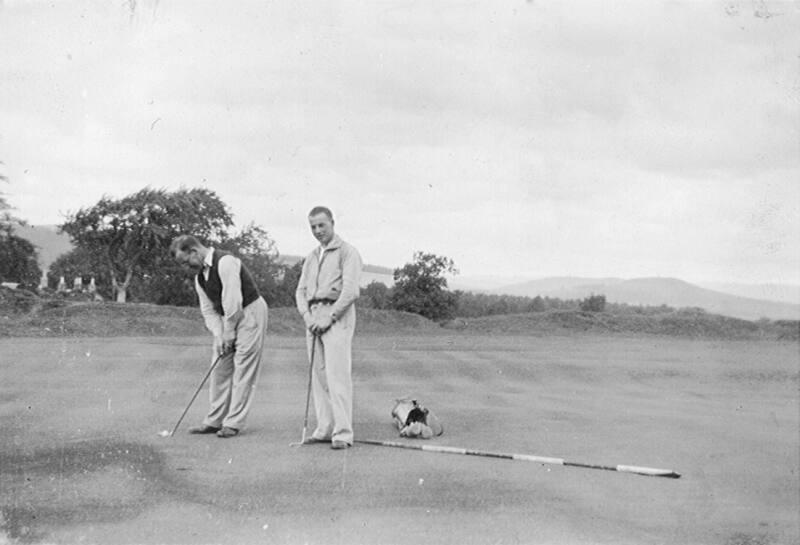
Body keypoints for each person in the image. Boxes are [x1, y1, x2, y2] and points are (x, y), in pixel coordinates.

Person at [170, 235, 269, 438]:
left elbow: (234, 300)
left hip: (250, 311)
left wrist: (230, 331)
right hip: (227, 318)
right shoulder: (199, 279)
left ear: (194, 252)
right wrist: (220, 335)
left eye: (185, 261)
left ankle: (233, 422)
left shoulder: (225, 262)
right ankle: (214, 420)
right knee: (220, 367)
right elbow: (208, 311)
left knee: (243, 366)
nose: (185, 267)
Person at [295, 206, 362, 449]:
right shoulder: (312, 256)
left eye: (322, 225)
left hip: (337, 316)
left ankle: (343, 433)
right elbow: (300, 291)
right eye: (313, 227)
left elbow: (351, 291)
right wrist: (306, 316)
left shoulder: (348, 252)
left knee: (337, 375)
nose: (317, 231)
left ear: (332, 223)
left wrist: (330, 317)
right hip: (313, 317)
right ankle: (324, 428)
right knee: (318, 375)